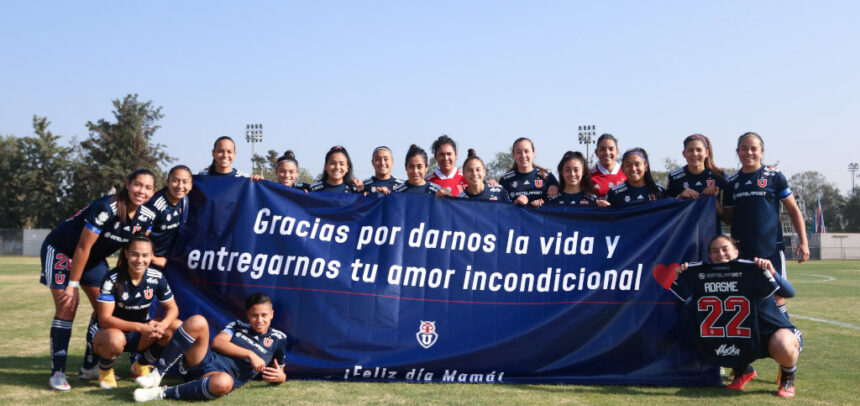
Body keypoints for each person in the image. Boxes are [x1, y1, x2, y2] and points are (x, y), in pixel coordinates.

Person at [41, 168, 157, 390]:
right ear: (127, 184)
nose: (141, 191)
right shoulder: (107, 207)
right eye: (138, 185)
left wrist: (124, 285)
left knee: (106, 311)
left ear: (153, 192)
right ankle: (57, 372)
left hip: (93, 260)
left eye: (148, 187)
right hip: (63, 251)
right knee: (68, 306)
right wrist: (72, 285)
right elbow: (83, 246)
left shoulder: (147, 217)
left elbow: (128, 253)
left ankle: (90, 366)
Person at [672, 235, 802, 398]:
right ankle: (743, 371)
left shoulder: (753, 270)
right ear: (710, 256)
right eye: (715, 251)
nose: (720, 254)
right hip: (740, 335)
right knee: (715, 332)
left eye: (725, 249)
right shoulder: (700, 274)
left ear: (736, 252)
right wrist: (682, 275)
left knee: (783, 344)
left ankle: (788, 377)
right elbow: (683, 301)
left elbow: (789, 293)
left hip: (771, 334)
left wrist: (772, 272)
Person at [133, 293, 288, 402]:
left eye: (264, 315)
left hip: (219, 376)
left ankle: (159, 393)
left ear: (272, 314)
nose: (259, 320)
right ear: (248, 315)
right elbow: (218, 343)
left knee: (223, 383)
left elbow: (280, 371)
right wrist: (250, 354)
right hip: (203, 361)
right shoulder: (238, 326)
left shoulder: (279, 339)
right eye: (255, 315)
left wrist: (281, 378)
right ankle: (156, 374)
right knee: (198, 321)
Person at [722, 132, 809, 318]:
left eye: (753, 148)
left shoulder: (774, 176)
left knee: (777, 296)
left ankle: (788, 338)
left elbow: (793, 209)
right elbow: (728, 218)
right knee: (743, 297)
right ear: (737, 152)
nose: (749, 152)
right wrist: (711, 200)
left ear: (761, 151)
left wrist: (804, 241)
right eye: (744, 148)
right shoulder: (731, 183)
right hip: (741, 251)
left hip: (770, 249)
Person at [92, 236, 179, 389]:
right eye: (135, 254)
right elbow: (104, 319)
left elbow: (173, 308)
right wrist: (140, 327)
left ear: (151, 256)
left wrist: (162, 325)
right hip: (109, 333)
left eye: (145, 255)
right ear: (126, 254)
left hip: (138, 334)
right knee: (115, 340)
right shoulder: (112, 279)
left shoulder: (156, 277)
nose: (140, 260)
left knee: (175, 327)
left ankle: (141, 365)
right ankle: (104, 370)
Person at [666, 134, 726, 217]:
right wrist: (680, 197)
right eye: (690, 150)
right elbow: (667, 210)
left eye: (699, 150)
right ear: (684, 154)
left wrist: (711, 198)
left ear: (706, 153)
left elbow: (727, 218)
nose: (694, 154)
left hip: (711, 229)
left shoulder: (719, 176)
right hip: (685, 229)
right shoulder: (674, 177)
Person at [145, 165, 192, 268]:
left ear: (191, 185)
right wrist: (154, 259)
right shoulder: (155, 204)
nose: (180, 186)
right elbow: (139, 238)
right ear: (167, 182)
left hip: (168, 262)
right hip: (148, 263)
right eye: (175, 180)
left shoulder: (185, 202)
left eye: (185, 182)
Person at [498, 137, 559, 207]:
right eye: (518, 152)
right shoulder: (505, 179)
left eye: (526, 151)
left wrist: (543, 203)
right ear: (513, 155)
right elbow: (501, 207)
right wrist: (515, 202)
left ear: (533, 153)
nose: (523, 155)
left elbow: (557, 203)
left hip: (540, 218)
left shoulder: (547, 176)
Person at [590, 133, 626, 198]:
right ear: (596, 152)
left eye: (611, 149)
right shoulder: (588, 175)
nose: (607, 153)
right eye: (602, 149)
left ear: (617, 152)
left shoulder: (626, 173)